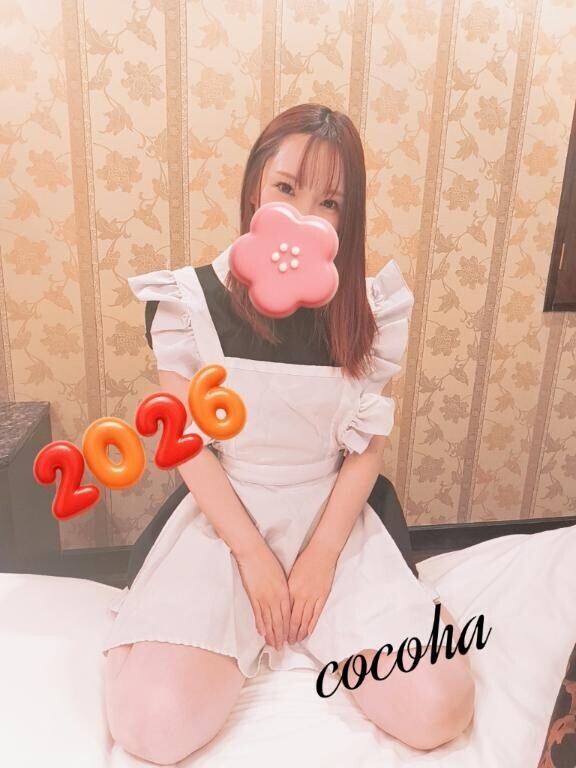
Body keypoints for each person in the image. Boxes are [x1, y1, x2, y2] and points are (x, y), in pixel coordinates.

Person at [101, 103, 475, 765]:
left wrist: (321, 556)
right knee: (149, 726)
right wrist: (253, 557)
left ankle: (396, 609)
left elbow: (366, 445)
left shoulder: (370, 309)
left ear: (347, 219)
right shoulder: (190, 303)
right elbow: (186, 442)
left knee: (440, 708)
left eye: (329, 202)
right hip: (227, 520)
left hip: (332, 519)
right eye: (286, 188)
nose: (305, 215)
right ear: (255, 188)